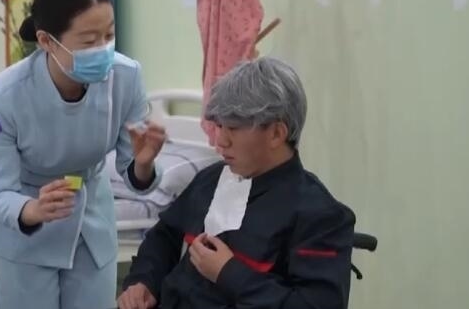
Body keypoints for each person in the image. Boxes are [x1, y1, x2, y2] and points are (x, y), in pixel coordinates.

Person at [0, 0, 167, 309]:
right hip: (25, 235)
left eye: (109, 35)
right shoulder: (7, 95)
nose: (103, 49)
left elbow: (133, 174)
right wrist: (33, 209)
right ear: (47, 41)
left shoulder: (126, 77)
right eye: (89, 41)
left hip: (92, 227)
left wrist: (143, 164)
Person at [118, 57, 356, 309]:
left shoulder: (319, 217)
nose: (220, 141)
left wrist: (229, 273)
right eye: (219, 126)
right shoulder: (211, 180)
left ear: (276, 133)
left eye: (233, 127)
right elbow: (165, 235)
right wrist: (143, 281)